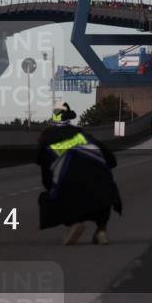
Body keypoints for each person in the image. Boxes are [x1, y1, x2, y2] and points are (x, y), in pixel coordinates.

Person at [37, 103, 121, 245]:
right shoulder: (83, 134)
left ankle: (74, 222)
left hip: (72, 193)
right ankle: (101, 230)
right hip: (102, 192)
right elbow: (111, 160)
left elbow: (46, 179)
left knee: (47, 198)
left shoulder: (47, 140)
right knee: (105, 185)